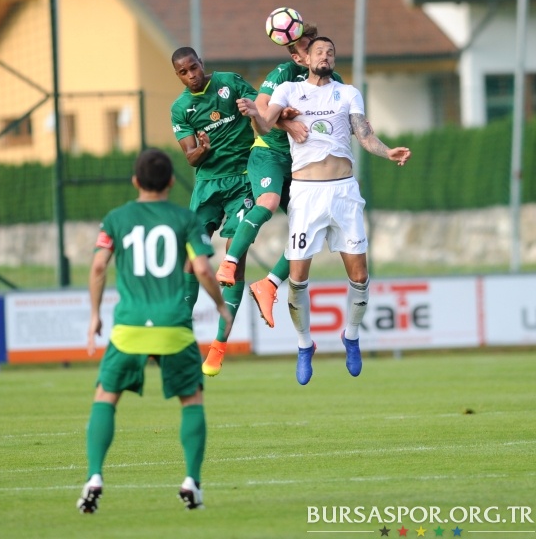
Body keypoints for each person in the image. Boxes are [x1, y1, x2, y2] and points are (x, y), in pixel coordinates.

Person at [237, 37, 411, 385]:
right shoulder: (289, 89)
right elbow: (267, 124)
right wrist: (256, 112)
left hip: (344, 192)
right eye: (319, 51)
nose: (325, 56)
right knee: (298, 278)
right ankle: (305, 345)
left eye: (330, 52)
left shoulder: (347, 93)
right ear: (306, 59)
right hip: (306, 195)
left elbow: (364, 134)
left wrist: (387, 151)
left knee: (359, 276)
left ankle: (351, 336)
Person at [77, 148, 232, 513]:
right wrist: (221, 306)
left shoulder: (116, 218)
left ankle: (94, 475)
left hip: (129, 327)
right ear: (170, 182)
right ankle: (192, 481)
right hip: (172, 326)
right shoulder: (185, 219)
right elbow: (203, 269)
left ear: (135, 181)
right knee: (191, 400)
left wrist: (95, 315)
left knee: (105, 397)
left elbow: (98, 267)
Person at [216, 24, 344, 330]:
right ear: (298, 58)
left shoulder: (335, 83)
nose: (316, 52)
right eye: (308, 48)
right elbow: (262, 113)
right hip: (270, 154)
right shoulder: (284, 74)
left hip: (303, 165)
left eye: (318, 45)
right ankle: (229, 262)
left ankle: (269, 284)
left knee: (313, 229)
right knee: (269, 201)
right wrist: (285, 122)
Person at [170, 47, 257, 376]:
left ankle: (218, 347)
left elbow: (262, 108)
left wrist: (252, 108)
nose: (191, 75)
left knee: (235, 259)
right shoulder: (181, 108)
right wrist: (202, 149)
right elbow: (190, 156)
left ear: (201, 64)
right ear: (178, 76)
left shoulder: (229, 82)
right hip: (208, 185)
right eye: (183, 72)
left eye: (193, 67)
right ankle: (181, 334)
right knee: (191, 258)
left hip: (243, 180)